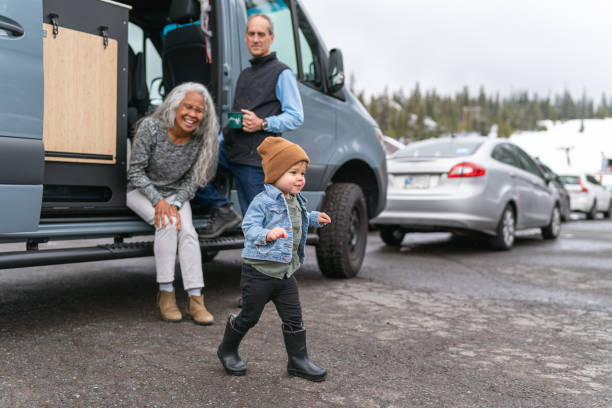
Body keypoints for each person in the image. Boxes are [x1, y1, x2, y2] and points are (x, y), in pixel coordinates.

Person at [217, 137, 331, 382]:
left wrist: (313, 218)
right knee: (250, 316)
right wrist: (267, 235)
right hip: (259, 273)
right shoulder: (263, 202)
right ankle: (227, 350)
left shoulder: (295, 200)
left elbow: (297, 218)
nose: (300, 178)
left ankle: (298, 361)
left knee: (294, 317)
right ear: (276, 174)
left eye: (303, 173)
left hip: (285, 273)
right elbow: (249, 227)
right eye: (293, 172)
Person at [196, 13, 304, 239]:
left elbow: (296, 116)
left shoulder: (282, 73)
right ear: (245, 37)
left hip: (255, 159)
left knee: (258, 224)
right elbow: (237, 117)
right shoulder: (245, 74)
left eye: (261, 34)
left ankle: (270, 272)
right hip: (231, 149)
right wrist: (215, 144)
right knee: (193, 164)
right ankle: (223, 210)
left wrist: (262, 123)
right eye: (251, 34)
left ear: (271, 38)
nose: (256, 39)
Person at [127, 82, 219, 325]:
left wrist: (176, 203)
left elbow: (193, 179)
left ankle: (195, 299)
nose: (192, 114)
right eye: (188, 107)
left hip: (175, 195)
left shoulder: (201, 140)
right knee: (167, 224)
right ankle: (166, 293)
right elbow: (135, 172)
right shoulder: (151, 127)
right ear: (175, 105)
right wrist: (159, 202)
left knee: (188, 232)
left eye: (199, 110)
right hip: (141, 191)